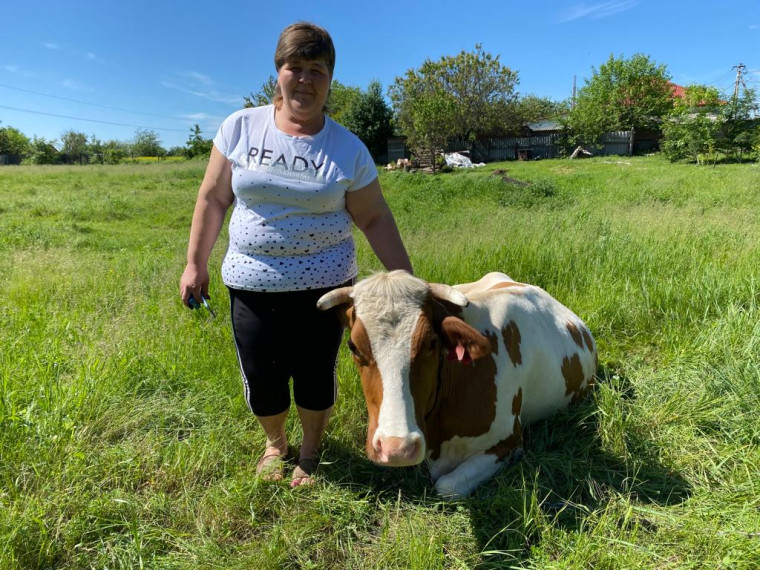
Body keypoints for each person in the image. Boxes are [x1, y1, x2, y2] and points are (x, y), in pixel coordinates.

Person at [179, 22, 412, 487]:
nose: (304, 79)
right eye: (295, 67)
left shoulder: (348, 149)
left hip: (325, 292)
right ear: (277, 73)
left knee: (314, 377)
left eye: (317, 70)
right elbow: (212, 199)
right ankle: (275, 443)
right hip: (251, 284)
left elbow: (375, 219)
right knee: (262, 377)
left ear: (330, 78)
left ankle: (308, 450)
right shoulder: (240, 128)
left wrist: (406, 280)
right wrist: (194, 263)